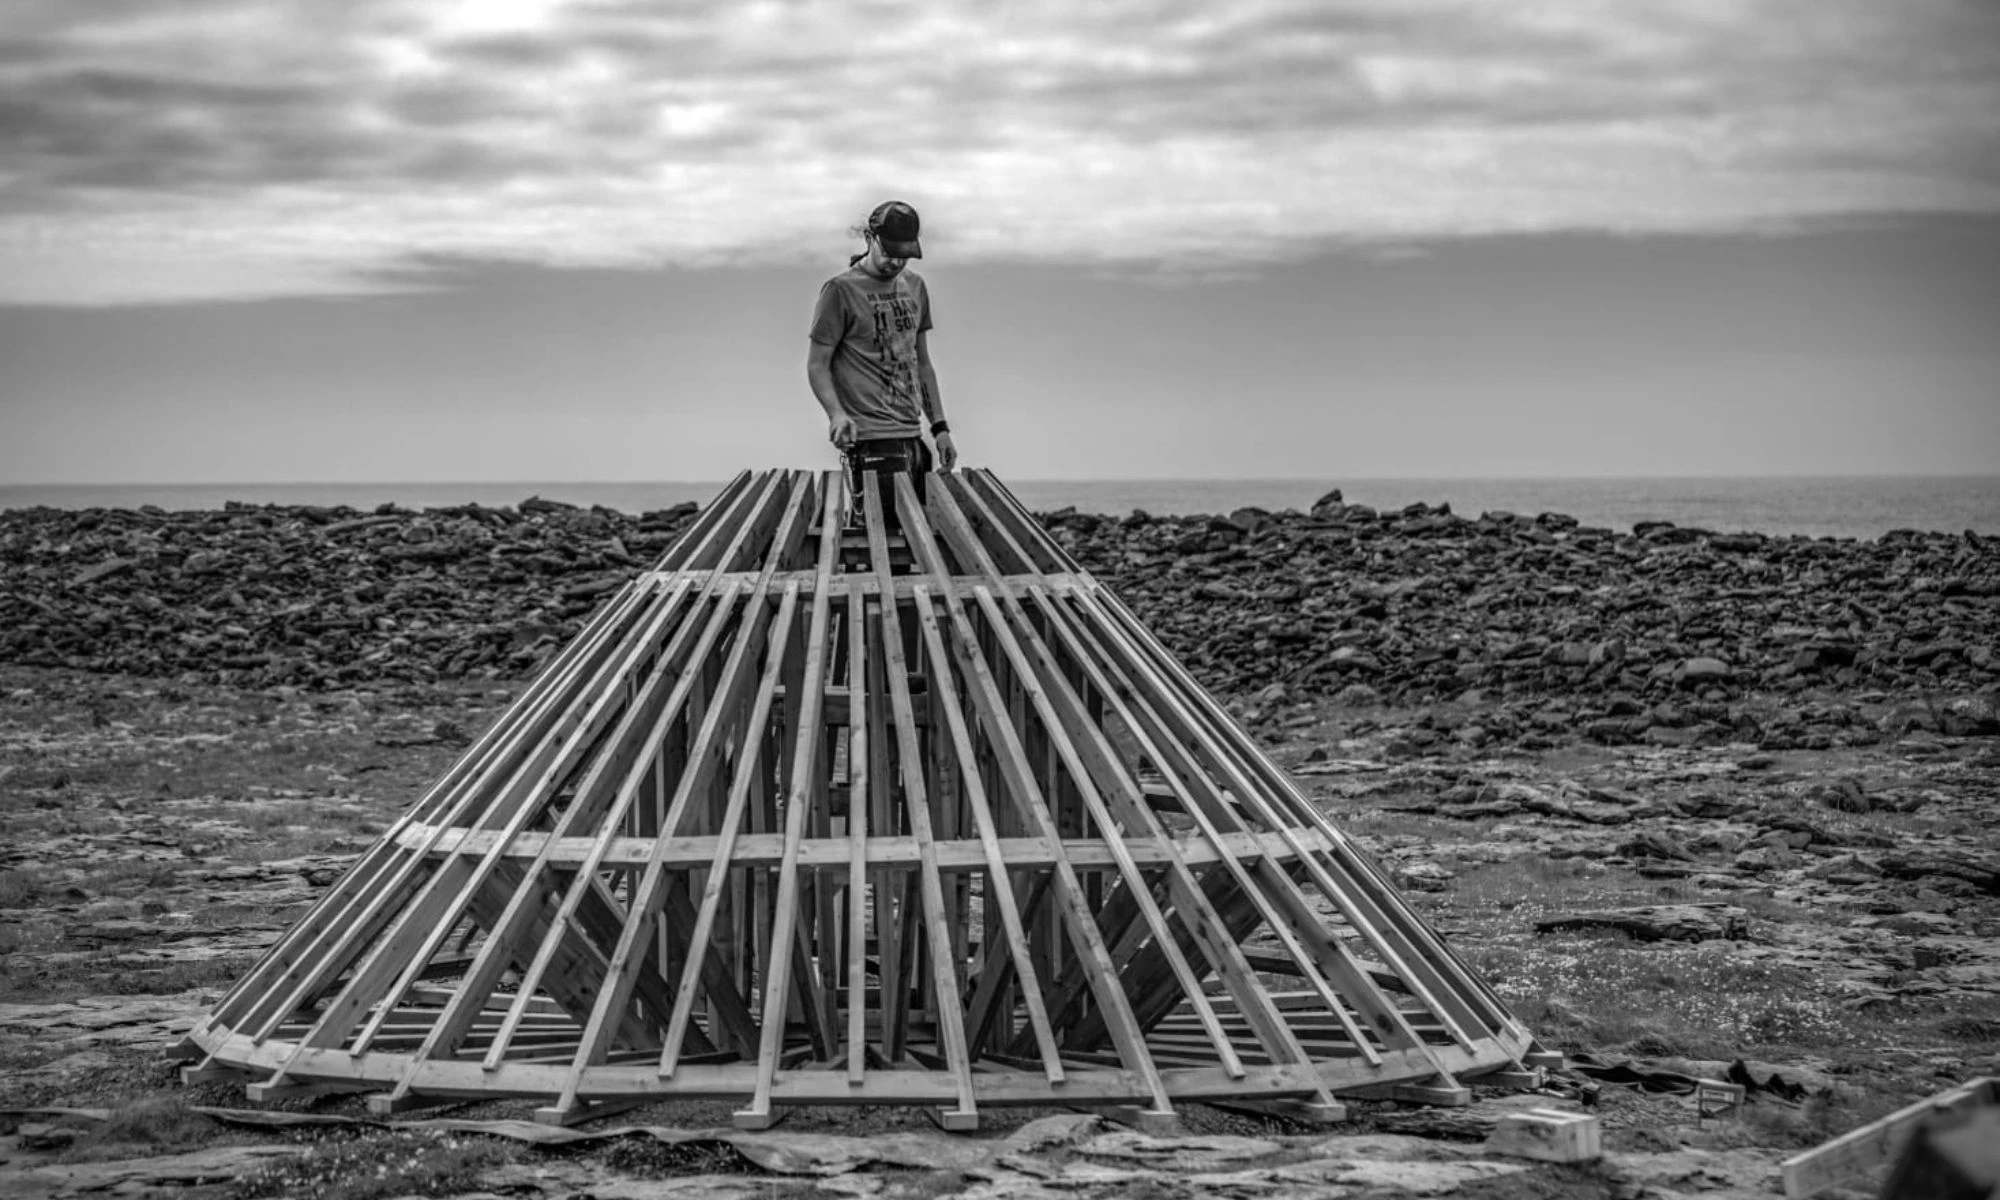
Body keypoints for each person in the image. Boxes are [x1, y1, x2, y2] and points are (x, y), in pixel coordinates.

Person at [807, 200, 956, 528]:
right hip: (872, 439)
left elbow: (922, 363)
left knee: (915, 546)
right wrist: (836, 414)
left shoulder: (915, 286)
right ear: (870, 239)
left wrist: (940, 427)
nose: (896, 262)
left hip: (913, 438)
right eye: (889, 252)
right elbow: (818, 364)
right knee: (881, 551)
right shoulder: (840, 291)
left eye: (904, 255)